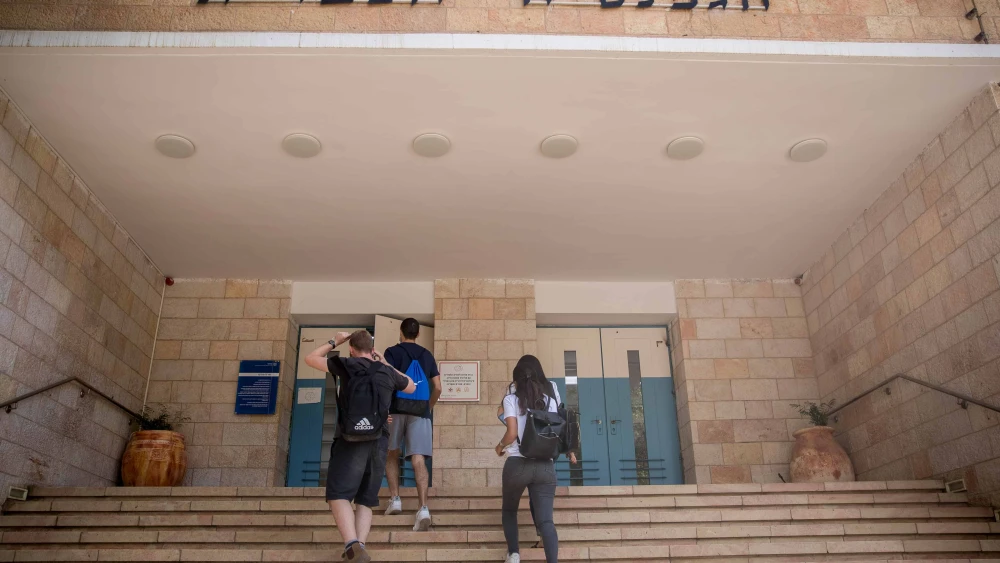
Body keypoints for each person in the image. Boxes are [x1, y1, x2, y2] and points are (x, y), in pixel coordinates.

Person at [304, 330, 415, 563]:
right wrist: (384, 362)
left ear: (352, 349)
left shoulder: (346, 364)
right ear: (372, 350)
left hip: (350, 439)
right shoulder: (385, 371)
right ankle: (360, 545)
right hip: (379, 440)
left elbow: (310, 358)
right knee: (366, 497)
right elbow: (411, 386)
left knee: (338, 493)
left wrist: (336, 341)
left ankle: (352, 544)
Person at [495, 355, 576, 563]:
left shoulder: (511, 399)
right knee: (546, 521)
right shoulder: (550, 400)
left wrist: (500, 446)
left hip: (517, 464)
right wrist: (569, 449)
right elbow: (561, 425)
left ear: (516, 380)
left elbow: (512, 432)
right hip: (545, 466)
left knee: (509, 510)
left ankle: (514, 554)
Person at [382, 318, 442, 531]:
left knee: (391, 452)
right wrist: (429, 407)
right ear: (417, 334)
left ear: (401, 332)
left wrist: (383, 409)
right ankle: (423, 508)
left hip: (396, 410)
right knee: (418, 459)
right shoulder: (427, 355)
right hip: (420, 412)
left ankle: (395, 499)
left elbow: (386, 381)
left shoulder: (391, 352)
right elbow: (438, 386)